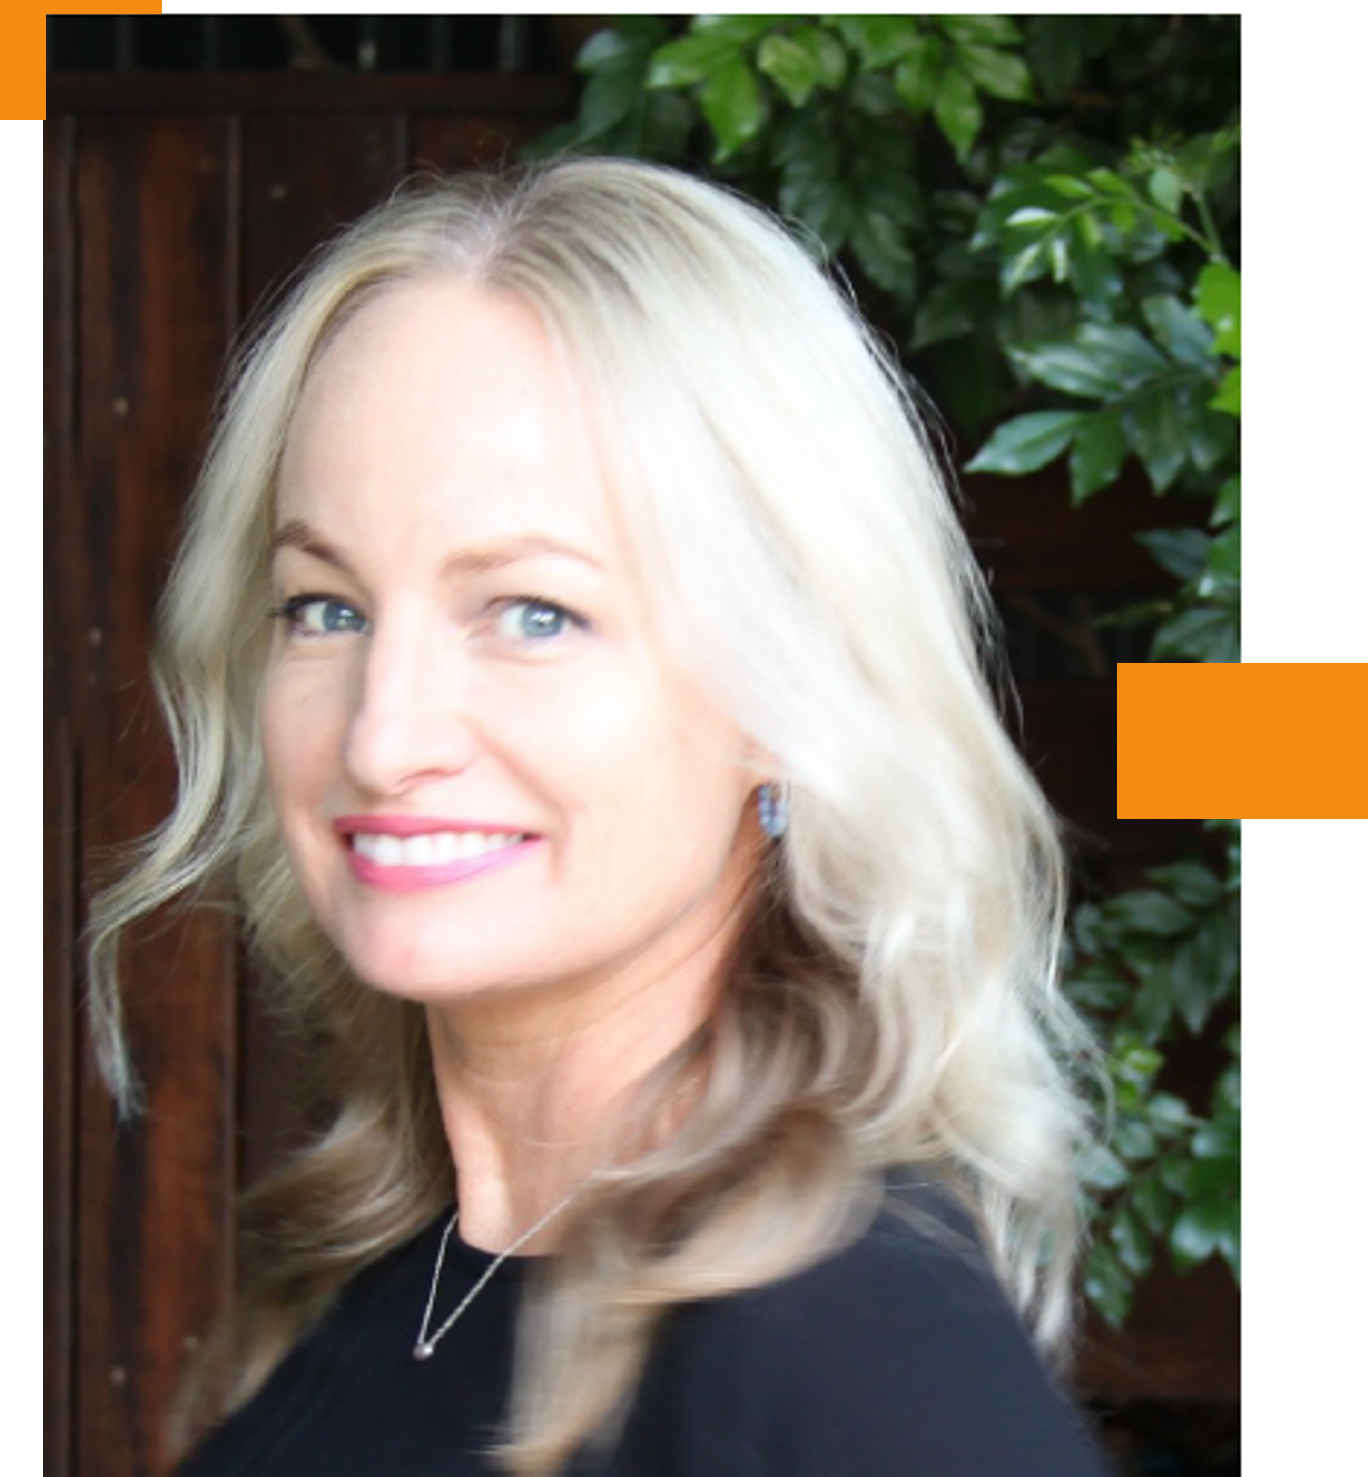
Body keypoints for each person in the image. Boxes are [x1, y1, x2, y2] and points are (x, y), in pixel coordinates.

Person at [88, 158, 1107, 1475]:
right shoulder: (405, 1285)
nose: (382, 737)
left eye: (534, 614)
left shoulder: (855, 1353)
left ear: (787, 691)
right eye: (326, 608)